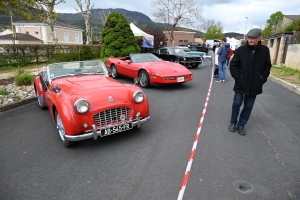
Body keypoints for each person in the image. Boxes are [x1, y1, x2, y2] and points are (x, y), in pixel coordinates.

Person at [228, 28, 271, 136]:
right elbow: (233, 65)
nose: (250, 40)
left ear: (259, 38)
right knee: (236, 103)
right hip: (240, 83)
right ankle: (233, 123)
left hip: (255, 85)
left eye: (253, 38)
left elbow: (267, 66)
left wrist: (262, 79)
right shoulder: (241, 50)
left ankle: (241, 125)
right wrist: (239, 78)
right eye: (249, 38)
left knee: (248, 106)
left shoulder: (265, 50)